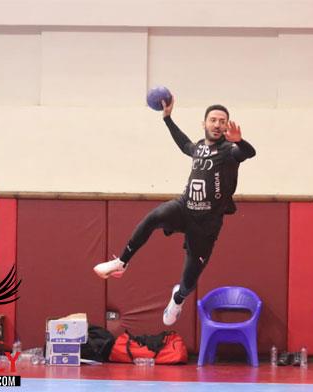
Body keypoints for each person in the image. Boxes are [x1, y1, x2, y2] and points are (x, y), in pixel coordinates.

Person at [93, 95, 256, 326]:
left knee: (190, 278)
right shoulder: (199, 147)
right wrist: (167, 118)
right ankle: (122, 262)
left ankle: (178, 299)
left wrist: (240, 141)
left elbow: (248, 153)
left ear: (226, 126)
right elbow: (184, 144)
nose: (217, 124)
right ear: (204, 123)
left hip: (207, 224)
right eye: (213, 120)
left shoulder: (229, 150)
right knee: (154, 217)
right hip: (184, 207)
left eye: (222, 121)